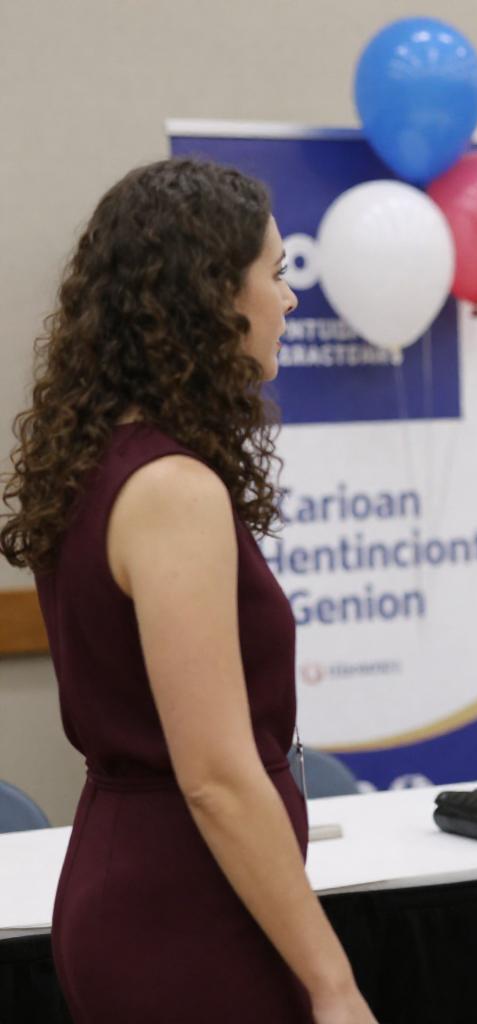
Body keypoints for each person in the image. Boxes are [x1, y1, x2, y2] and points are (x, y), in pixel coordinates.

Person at [0, 158, 377, 1024]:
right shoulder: (173, 488)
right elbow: (214, 776)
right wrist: (334, 983)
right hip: (184, 907)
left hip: (154, 884)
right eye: (276, 274)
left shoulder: (106, 460)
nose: (290, 299)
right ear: (211, 295)